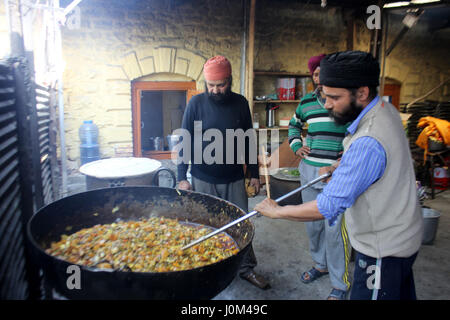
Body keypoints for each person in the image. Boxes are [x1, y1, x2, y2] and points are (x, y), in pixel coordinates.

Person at [255, 51, 423, 300]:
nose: (329, 104)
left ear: (362, 92)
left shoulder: (368, 140)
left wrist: (277, 211)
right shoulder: (385, 110)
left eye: (334, 97)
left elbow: (329, 205)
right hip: (403, 236)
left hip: (383, 249)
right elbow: (375, 162)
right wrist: (338, 167)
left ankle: (337, 280)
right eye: (325, 96)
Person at [177, 55, 270, 290]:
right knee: (205, 224)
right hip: (202, 177)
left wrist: (255, 174)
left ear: (230, 80)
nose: (216, 90)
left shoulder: (240, 103)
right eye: (211, 85)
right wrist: (181, 177)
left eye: (221, 85)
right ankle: (207, 269)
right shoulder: (195, 104)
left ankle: (246, 268)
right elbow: (184, 140)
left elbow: (249, 140)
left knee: (240, 224)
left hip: (234, 177)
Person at [287, 54, 350, 300]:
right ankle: (320, 265)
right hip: (309, 171)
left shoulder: (343, 101)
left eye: (324, 73)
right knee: (313, 227)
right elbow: (294, 125)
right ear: (312, 77)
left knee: (334, 230)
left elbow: (354, 136)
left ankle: (340, 283)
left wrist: (339, 164)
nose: (320, 78)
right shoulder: (306, 102)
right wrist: (295, 146)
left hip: (336, 174)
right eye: (316, 74)